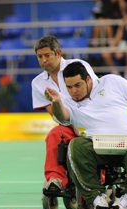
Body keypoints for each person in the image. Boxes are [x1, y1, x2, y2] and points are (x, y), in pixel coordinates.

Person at [44, 61, 127, 209]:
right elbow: (61, 116)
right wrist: (56, 102)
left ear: (88, 80)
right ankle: (97, 198)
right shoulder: (68, 103)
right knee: (75, 146)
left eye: (78, 85)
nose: (73, 91)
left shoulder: (113, 82)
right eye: (69, 87)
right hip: (98, 149)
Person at [31, 36, 97, 195]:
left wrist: (83, 125)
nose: (44, 60)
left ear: (58, 53)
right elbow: (57, 116)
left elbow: (95, 95)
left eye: (47, 55)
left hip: (92, 122)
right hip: (68, 124)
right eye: (40, 57)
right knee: (54, 134)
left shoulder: (79, 67)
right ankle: (56, 180)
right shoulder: (38, 83)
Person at [101, 2, 127, 81]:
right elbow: (117, 38)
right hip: (122, 46)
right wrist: (113, 45)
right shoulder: (122, 22)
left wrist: (122, 50)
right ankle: (115, 73)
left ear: (125, 12)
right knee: (105, 52)